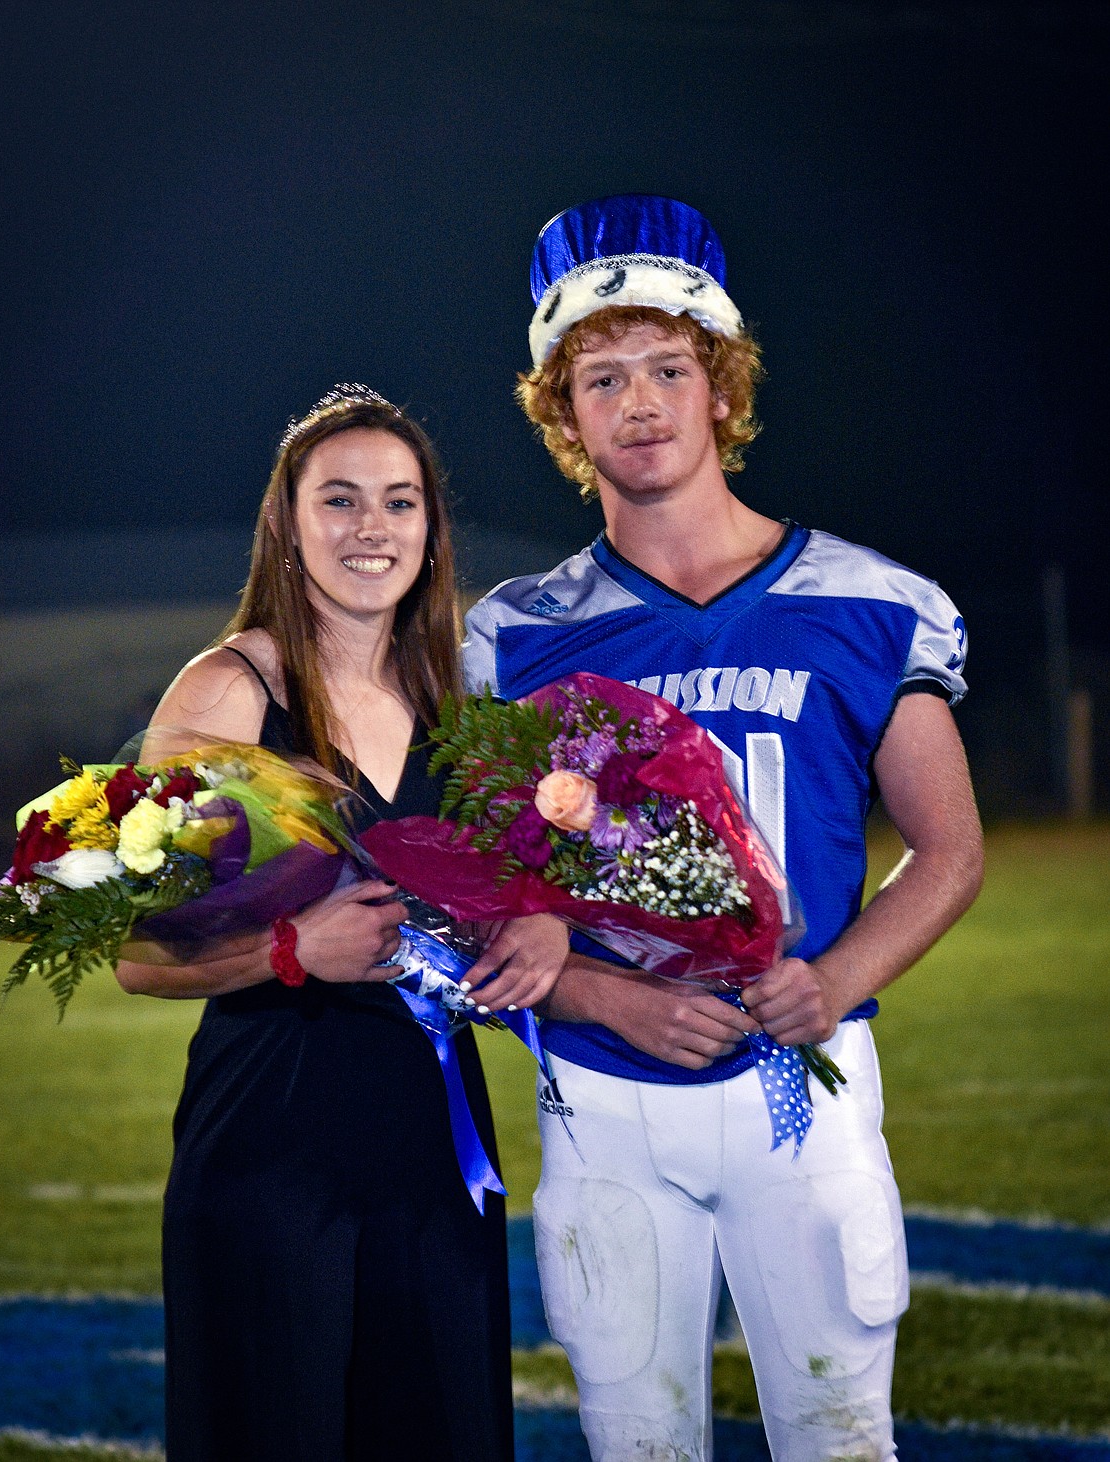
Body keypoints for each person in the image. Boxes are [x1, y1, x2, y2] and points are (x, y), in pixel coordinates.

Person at [462, 196, 985, 1462]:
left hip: (799, 1080)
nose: (638, 401)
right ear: (561, 411)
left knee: (842, 1436)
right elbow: (480, 893)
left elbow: (951, 848)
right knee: (636, 1443)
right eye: (601, 377)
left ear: (722, 385)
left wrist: (835, 976)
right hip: (605, 1094)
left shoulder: (868, 601)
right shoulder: (516, 632)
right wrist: (602, 996)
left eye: (666, 367)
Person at [114, 385, 568, 1462]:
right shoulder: (227, 690)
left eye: (400, 502)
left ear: (430, 528)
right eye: (342, 500)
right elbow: (136, 952)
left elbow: (496, 888)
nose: (373, 527)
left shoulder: (454, 700)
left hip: (433, 1140)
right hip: (273, 1136)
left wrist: (538, 920)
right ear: (288, 521)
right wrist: (291, 949)